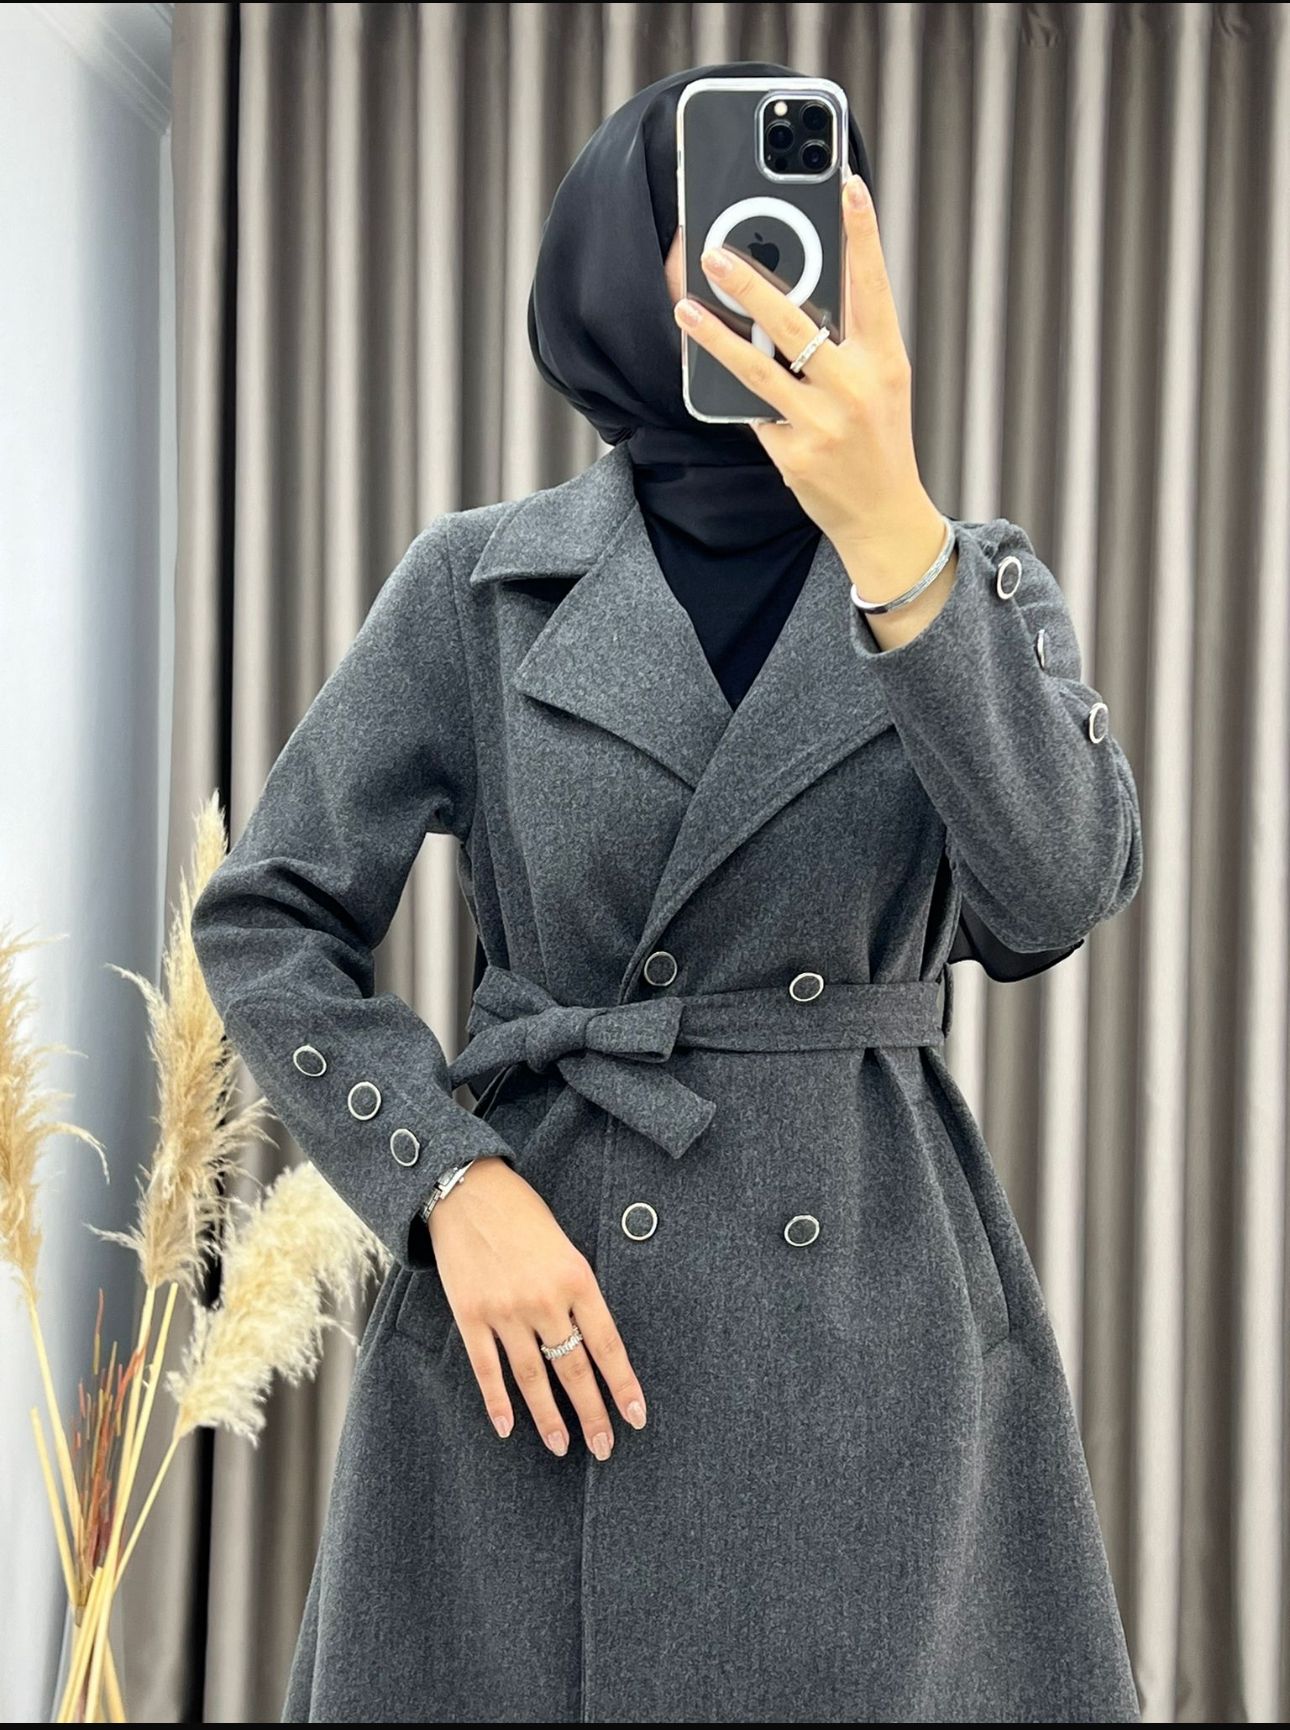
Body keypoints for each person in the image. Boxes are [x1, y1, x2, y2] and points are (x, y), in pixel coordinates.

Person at [191, 60, 1144, 1727]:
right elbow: (266, 913)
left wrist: (897, 543)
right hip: (542, 1303)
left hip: (867, 1306)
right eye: (703, 219)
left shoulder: (968, 576)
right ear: (604, 266)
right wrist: (444, 1181)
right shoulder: (477, 578)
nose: (757, 262)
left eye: (794, 221)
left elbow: (1052, 896)